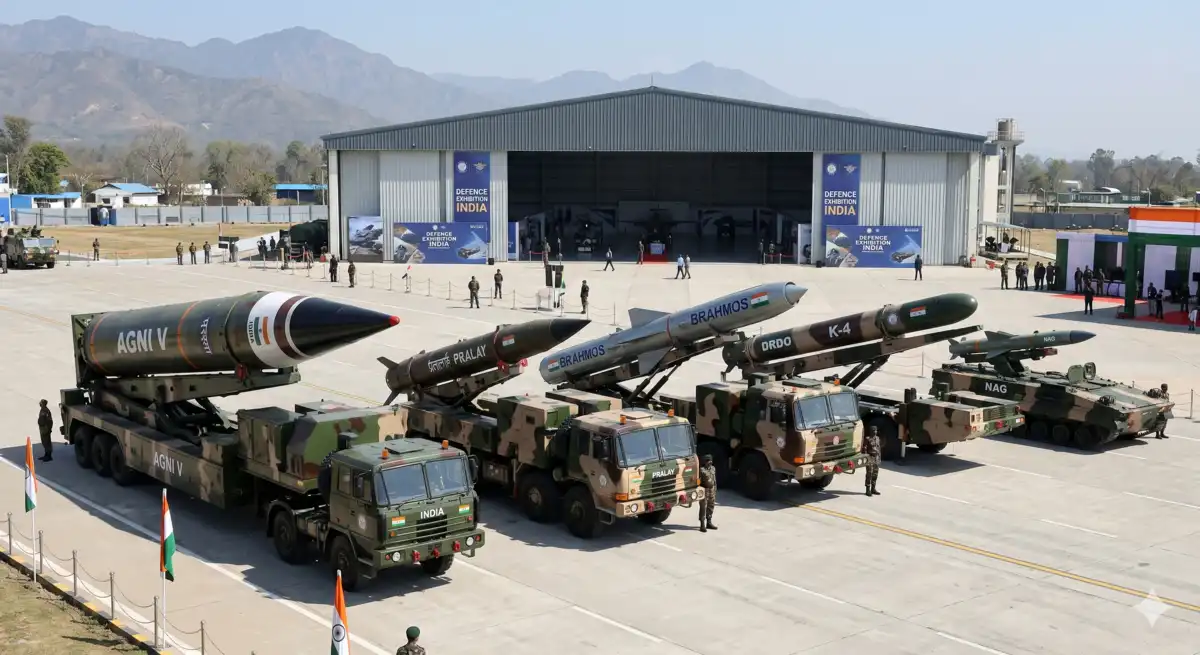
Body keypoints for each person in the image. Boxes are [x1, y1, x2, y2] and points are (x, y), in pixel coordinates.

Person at [697, 453, 717, 532]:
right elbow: (698, 481)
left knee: (711, 505)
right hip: (704, 490)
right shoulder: (701, 470)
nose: (710, 462)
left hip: (712, 490)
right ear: (705, 462)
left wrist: (715, 488)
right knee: (703, 507)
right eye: (708, 461)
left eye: (711, 460)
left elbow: (714, 479)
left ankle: (709, 522)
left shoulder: (713, 468)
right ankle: (702, 524)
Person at [863, 425, 882, 496]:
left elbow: (879, 449)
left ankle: (873, 489)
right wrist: (866, 459)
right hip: (870, 458)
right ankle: (867, 489)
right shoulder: (867, 439)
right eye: (873, 430)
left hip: (876, 458)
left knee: (875, 474)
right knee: (869, 474)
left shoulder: (878, 438)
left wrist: (879, 458)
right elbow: (864, 450)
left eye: (876, 430)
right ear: (871, 431)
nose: (875, 432)